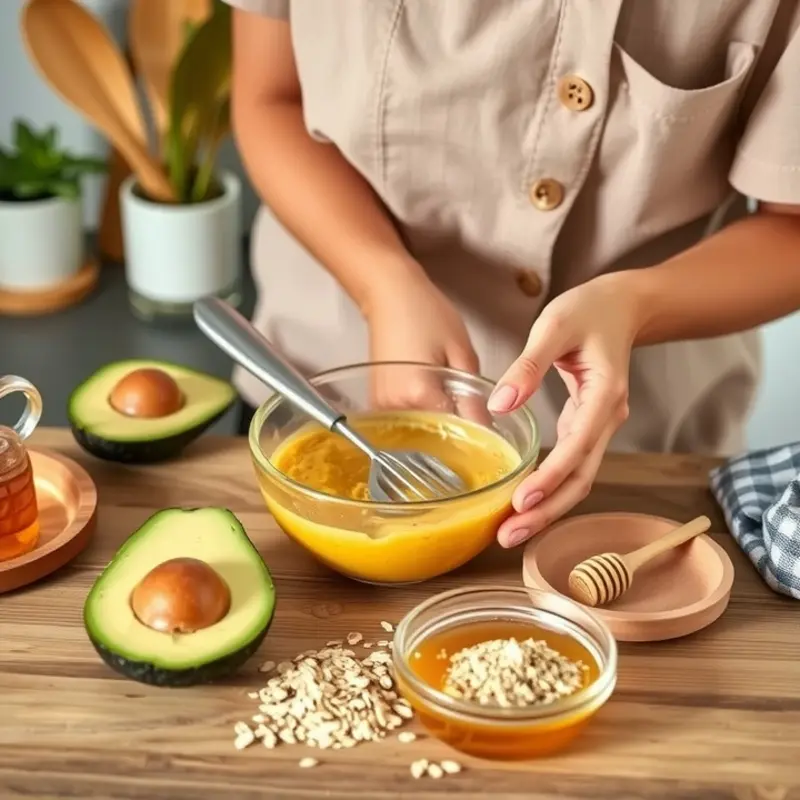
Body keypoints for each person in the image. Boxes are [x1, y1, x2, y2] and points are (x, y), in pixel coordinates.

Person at [224, 0, 800, 549]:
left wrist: (637, 303)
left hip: (642, 452)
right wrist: (380, 283)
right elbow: (269, 97)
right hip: (315, 395)